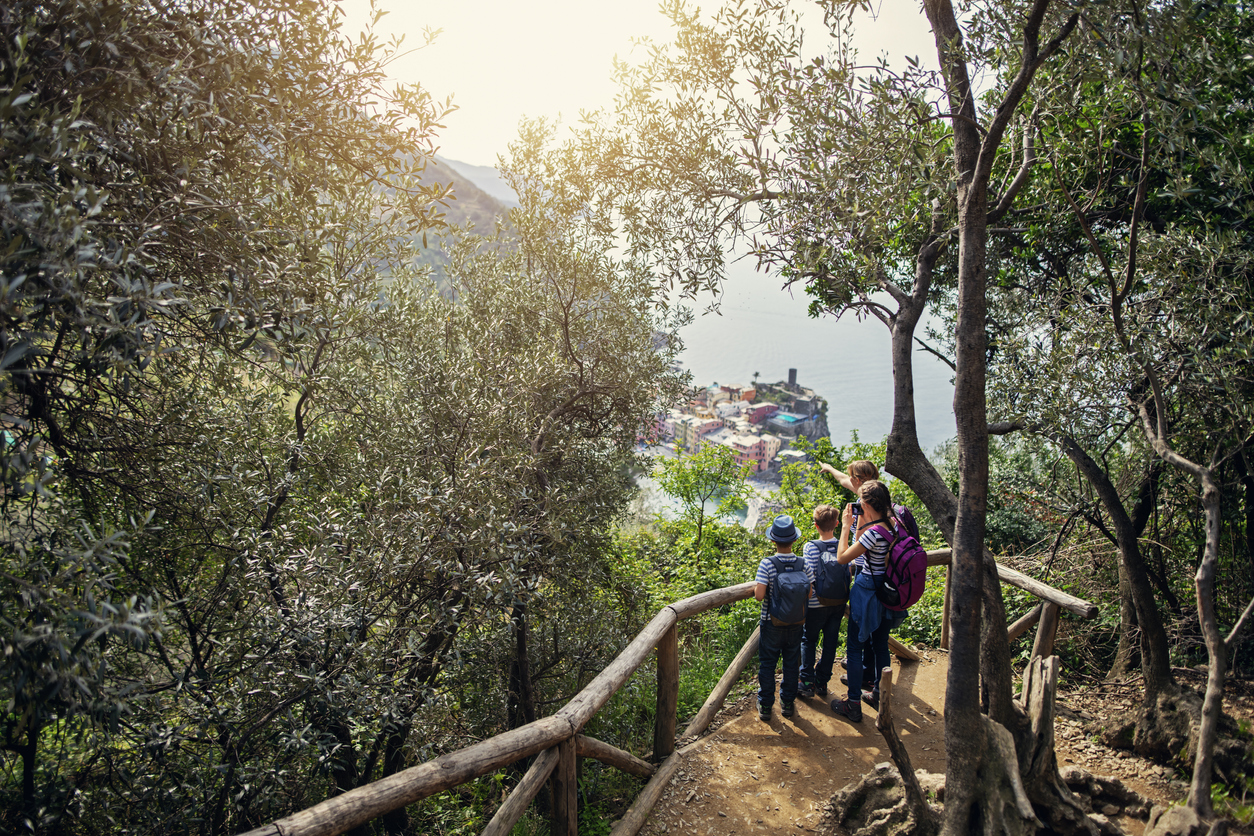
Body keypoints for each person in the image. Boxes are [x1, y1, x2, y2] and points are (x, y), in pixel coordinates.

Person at [829, 480, 896, 723]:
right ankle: (879, 694)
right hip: (885, 590)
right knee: (880, 645)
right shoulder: (890, 525)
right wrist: (860, 521)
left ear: (866, 504)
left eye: (860, 502)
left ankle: (853, 704)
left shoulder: (873, 534)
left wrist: (845, 527)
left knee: (855, 648)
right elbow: (866, 543)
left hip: (867, 589)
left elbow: (842, 558)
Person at [754, 515, 812, 721]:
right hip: (796, 623)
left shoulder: (767, 564)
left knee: (768, 664)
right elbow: (810, 593)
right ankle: (787, 703)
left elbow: (759, 595)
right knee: (791, 663)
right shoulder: (803, 564)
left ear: (773, 540)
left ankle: (766, 706)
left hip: (771, 623)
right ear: (795, 540)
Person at [798, 504, 846, 699]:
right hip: (838, 603)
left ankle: (807, 682)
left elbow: (808, 576)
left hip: (816, 604)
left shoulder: (810, 547)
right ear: (836, 523)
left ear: (816, 525)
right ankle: (822, 682)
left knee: (808, 640)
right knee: (830, 642)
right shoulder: (843, 545)